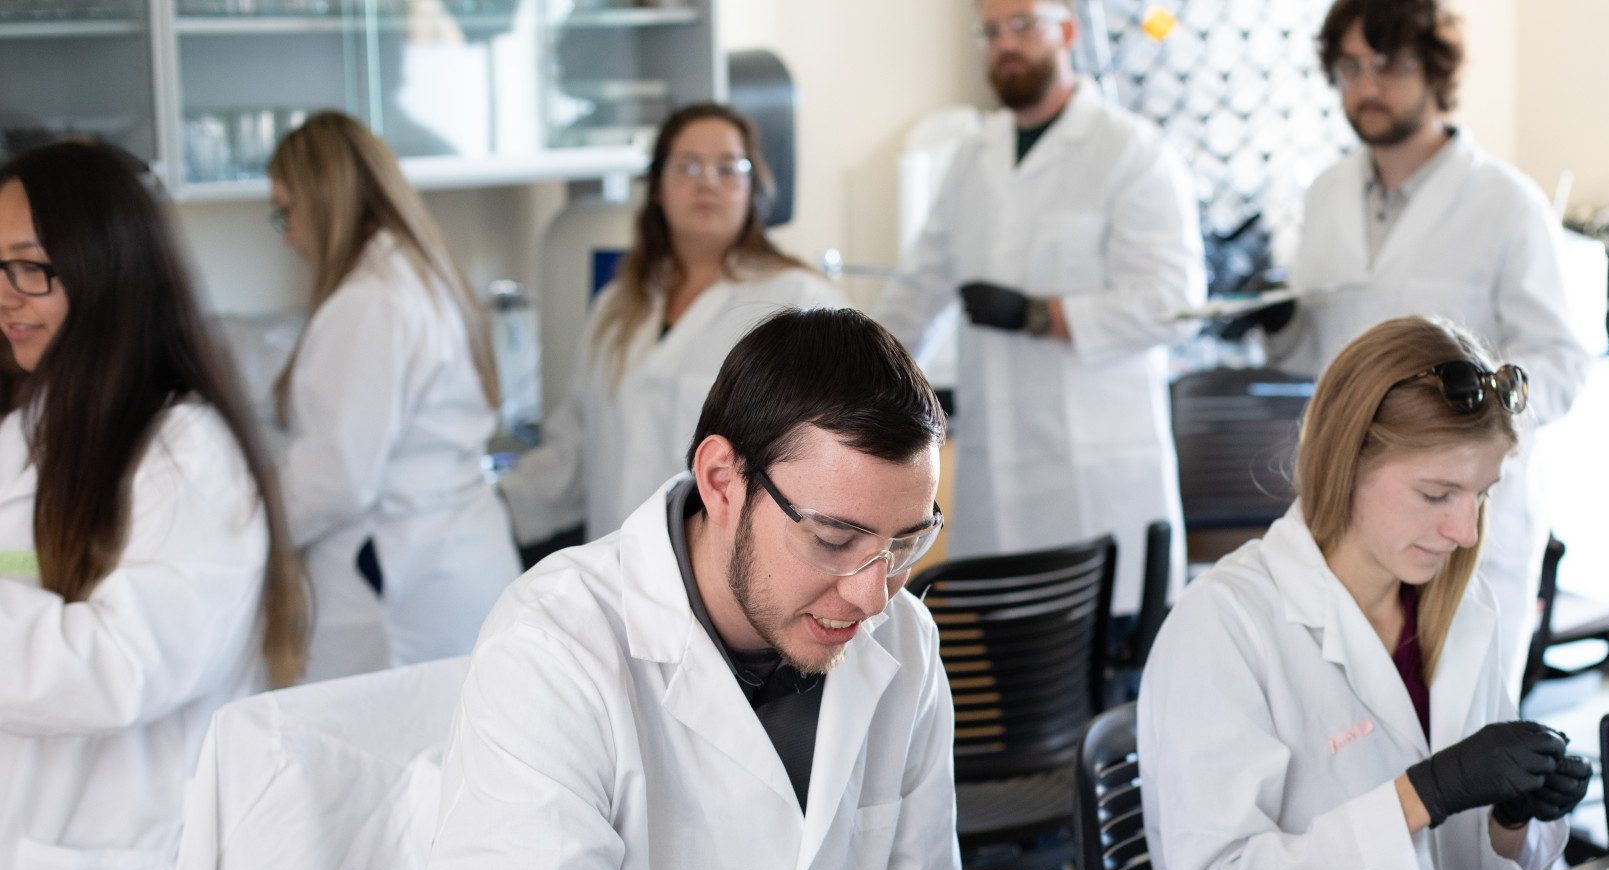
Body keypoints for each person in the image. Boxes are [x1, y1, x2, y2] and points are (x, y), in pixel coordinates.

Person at [403, 308, 1010, 870]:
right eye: (835, 538)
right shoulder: (554, 649)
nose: (872, 592)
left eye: (906, 543)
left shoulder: (900, 635)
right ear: (724, 481)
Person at [0, 141, 306, 870]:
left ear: (108, 267)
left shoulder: (182, 454)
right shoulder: (25, 428)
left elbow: (118, 670)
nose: (7, 295)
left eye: (31, 267)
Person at [1138, 316, 1590, 870]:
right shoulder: (1223, 624)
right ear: (1345, 461)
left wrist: (1509, 821)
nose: (1466, 532)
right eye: (1437, 495)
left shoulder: (1460, 603)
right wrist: (1420, 796)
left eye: (1482, 494)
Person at [1251, 0, 1592, 688]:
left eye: (1390, 65)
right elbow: (1317, 357)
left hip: (1461, 516)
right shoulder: (1325, 195)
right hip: (1353, 507)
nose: (1367, 87)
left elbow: (1562, 361)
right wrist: (1275, 325)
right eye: (1350, 67)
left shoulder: (1506, 202)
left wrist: (1472, 411)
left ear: (1434, 72)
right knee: (1351, 727)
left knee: (1464, 731)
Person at [874, 0, 1204, 619]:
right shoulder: (973, 159)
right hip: (1002, 476)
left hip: (1100, 482)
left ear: (1068, 32)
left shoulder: (1130, 151)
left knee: (1108, 689)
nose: (1007, 45)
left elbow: (1170, 304)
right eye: (993, 32)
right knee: (1016, 675)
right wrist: (853, 375)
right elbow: (920, 286)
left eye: (1024, 25)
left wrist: (1038, 315)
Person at [499, 103, 846, 548]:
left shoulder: (799, 302)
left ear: (751, 189)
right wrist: (492, 514)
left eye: (728, 167)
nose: (707, 181)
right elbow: (573, 451)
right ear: (658, 188)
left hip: (729, 574)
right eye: (687, 166)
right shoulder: (618, 306)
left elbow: (830, 456)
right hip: (619, 565)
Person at [268, 111, 520, 681]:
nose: (285, 233)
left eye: (286, 210)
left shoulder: (370, 300)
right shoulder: (417, 274)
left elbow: (335, 479)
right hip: (453, 561)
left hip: (399, 583)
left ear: (323, 198)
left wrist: (239, 525)